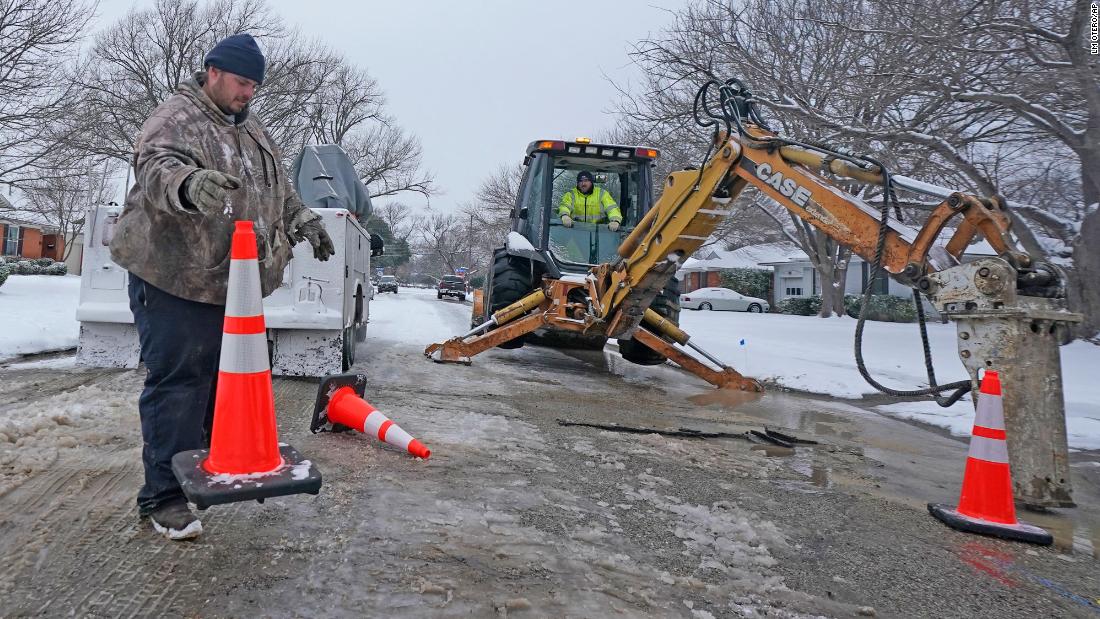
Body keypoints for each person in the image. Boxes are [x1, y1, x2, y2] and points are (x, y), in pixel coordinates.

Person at [109, 33, 335, 541]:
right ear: (212, 72)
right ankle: (163, 498)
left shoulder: (251, 129)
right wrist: (189, 186)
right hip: (170, 275)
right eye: (240, 82)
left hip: (226, 283)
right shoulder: (178, 117)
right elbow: (157, 166)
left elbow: (275, 186)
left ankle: (203, 470)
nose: (248, 93)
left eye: (254, 85)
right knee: (179, 384)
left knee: (213, 383)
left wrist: (301, 218)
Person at [558, 170, 622, 231]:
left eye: (586, 180)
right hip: (575, 232)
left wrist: (615, 220)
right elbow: (565, 206)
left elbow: (612, 208)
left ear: (591, 182)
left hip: (599, 233)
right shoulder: (571, 195)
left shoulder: (602, 194)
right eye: (580, 181)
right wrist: (565, 215)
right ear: (577, 183)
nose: (583, 183)